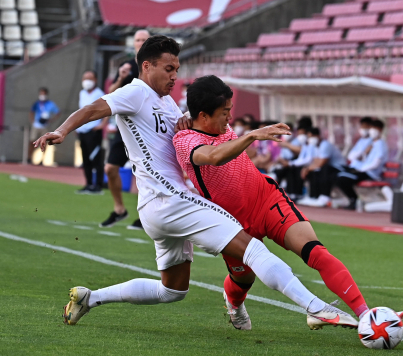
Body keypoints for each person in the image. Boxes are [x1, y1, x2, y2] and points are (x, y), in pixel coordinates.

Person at [34, 35, 354, 329]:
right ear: (146, 67)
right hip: (170, 199)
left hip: (155, 206)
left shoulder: (167, 102)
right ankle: (315, 307)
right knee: (251, 248)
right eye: (168, 68)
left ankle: (91, 298)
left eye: (177, 69)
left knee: (172, 290)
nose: (175, 76)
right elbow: (94, 108)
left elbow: (178, 132)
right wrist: (62, 131)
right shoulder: (135, 92)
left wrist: (183, 120)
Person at [173, 75, 367, 329]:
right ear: (204, 116)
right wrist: (252, 136)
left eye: (230, 110)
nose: (229, 118)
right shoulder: (184, 139)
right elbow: (214, 156)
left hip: (266, 200)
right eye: (225, 113)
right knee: (243, 280)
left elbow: (214, 129)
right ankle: (233, 303)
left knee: (315, 251)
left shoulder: (214, 122)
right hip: (232, 223)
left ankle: (366, 315)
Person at [101, 29, 149, 228]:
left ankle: (146, 216)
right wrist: (120, 78)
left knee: (145, 173)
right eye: (137, 39)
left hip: (145, 127)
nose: (140, 43)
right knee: (110, 168)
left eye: (144, 40)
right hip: (125, 127)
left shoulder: (155, 65)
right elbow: (111, 94)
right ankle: (119, 209)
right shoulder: (126, 65)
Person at [336, 119, 388, 210]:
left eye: (374, 128)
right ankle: (353, 200)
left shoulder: (380, 144)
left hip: (370, 173)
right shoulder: (372, 144)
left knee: (342, 178)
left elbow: (376, 163)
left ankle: (354, 200)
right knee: (338, 175)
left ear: (380, 130)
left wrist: (361, 169)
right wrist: (365, 153)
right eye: (371, 128)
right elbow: (361, 159)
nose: (371, 131)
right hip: (363, 170)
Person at [75, 70, 107, 195]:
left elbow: (107, 109)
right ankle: (88, 184)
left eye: (89, 78)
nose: (86, 81)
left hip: (93, 131)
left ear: (95, 80)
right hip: (82, 130)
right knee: (85, 159)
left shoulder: (100, 94)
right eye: (85, 78)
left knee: (96, 159)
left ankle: (98, 186)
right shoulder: (82, 93)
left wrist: (102, 125)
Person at [298, 127, 346, 207]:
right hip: (329, 168)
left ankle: (325, 196)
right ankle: (313, 196)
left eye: (311, 137)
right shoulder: (315, 147)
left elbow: (322, 162)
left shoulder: (325, 145)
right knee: (313, 171)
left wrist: (307, 168)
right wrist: (307, 169)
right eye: (309, 137)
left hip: (339, 167)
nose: (310, 139)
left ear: (318, 136)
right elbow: (315, 161)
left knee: (324, 169)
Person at [28, 87, 59, 163]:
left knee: (44, 143)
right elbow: (31, 111)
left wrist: (51, 120)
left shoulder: (50, 104)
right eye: (41, 94)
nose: (42, 95)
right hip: (36, 125)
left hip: (45, 126)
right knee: (32, 141)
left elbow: (58, 112)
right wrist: (32, 121)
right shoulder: (36, 103)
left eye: (44, 94)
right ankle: (29, 157)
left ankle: (42, 159)